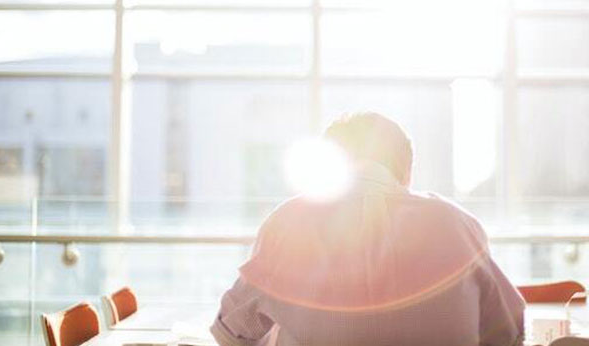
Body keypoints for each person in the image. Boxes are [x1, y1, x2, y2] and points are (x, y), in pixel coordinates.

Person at [211, 112, 525, 346]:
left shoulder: (290, 221)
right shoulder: (456, 223)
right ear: (406, 170)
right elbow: (510, 331)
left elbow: (231, 332)